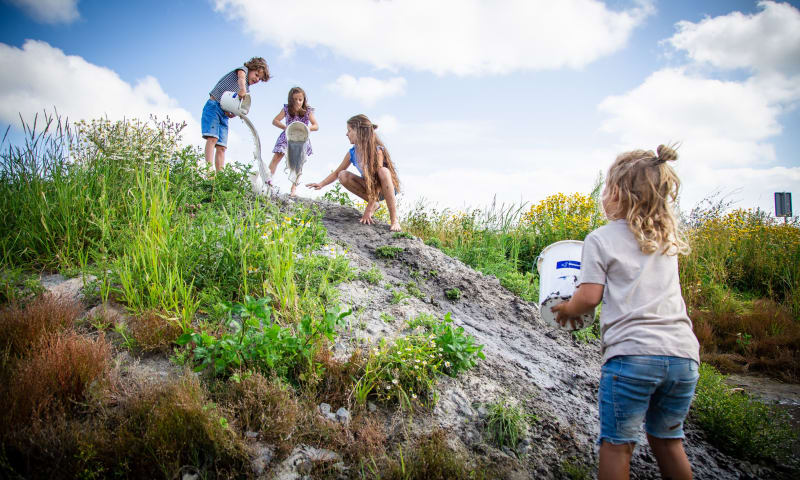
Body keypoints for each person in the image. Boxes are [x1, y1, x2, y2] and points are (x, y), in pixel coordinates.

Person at [551, 145, 700, 480]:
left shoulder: (601, 239)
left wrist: (566, 309)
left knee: (617, 445)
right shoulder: (665, 240)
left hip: (633, 356)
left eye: (605, 188)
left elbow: (589, 297)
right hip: (683, 357)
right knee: (668, 441)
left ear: (616, 192)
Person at [306, 114, 401, 231]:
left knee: (383, 171)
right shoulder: (352, 152)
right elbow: (337, 173)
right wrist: (321, 184)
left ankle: (394, 220)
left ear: (359, 131)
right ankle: (374, 204)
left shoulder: (377, 150)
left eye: (349, 130)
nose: (347, 134)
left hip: (383, 188)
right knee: (343, 175)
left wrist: (368, 209)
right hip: (369, 187)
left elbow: (376, 181)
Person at [202, 57, 270, 172]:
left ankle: (220, 176)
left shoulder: (247, 90)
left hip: (224, 114)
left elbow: (238, 107)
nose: (257, 79)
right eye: (257, 75)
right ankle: (209, 170)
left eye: (260, 78)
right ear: (251, 68)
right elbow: (241, 78)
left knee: (222, 147)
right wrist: (242, 89)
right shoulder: (242, 71)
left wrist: (233, 113)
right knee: (212, 138)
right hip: (214, 106)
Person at [268, 87, 318, 196]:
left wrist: (307, 128)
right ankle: (268, 181)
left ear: (304, 100)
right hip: (287, 136)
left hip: (301, 138)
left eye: (300, 99)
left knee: (298, 163)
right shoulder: (286, 109)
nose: (298, 102)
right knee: (277, 156)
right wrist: (285, 127)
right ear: (291, 100)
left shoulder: (308, 111)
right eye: (295, 99)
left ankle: (293, 188)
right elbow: (275, 121)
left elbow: (316, 125)